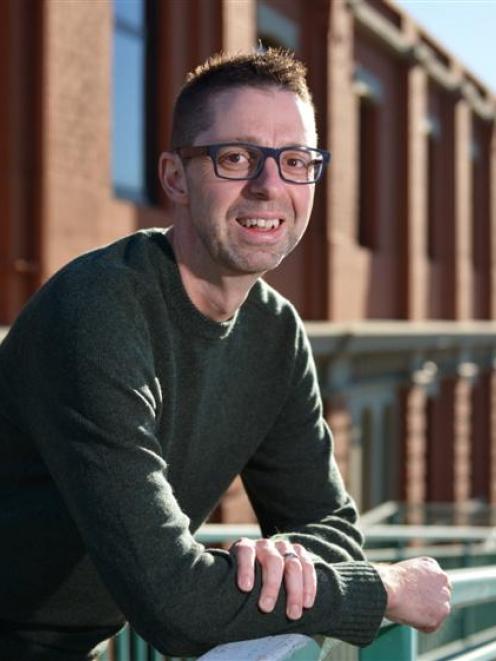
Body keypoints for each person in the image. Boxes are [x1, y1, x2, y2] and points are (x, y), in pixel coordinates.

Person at [0, 49, 450, 661]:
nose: (269, 186)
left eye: (296, 161)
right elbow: (174, 604)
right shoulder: (95, 313)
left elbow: (333, 529)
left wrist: (286, 564)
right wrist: (383, 589)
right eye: (235, 158)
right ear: (176, 178)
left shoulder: (274, 332)